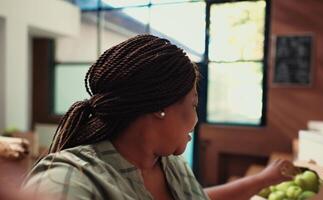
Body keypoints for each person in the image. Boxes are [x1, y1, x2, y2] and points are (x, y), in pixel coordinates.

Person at [23, 34, 296, 200]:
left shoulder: (168, 165)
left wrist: (263, 179)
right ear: (160, 107)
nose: (195, 120)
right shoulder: (68, 181)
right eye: (192, 105)